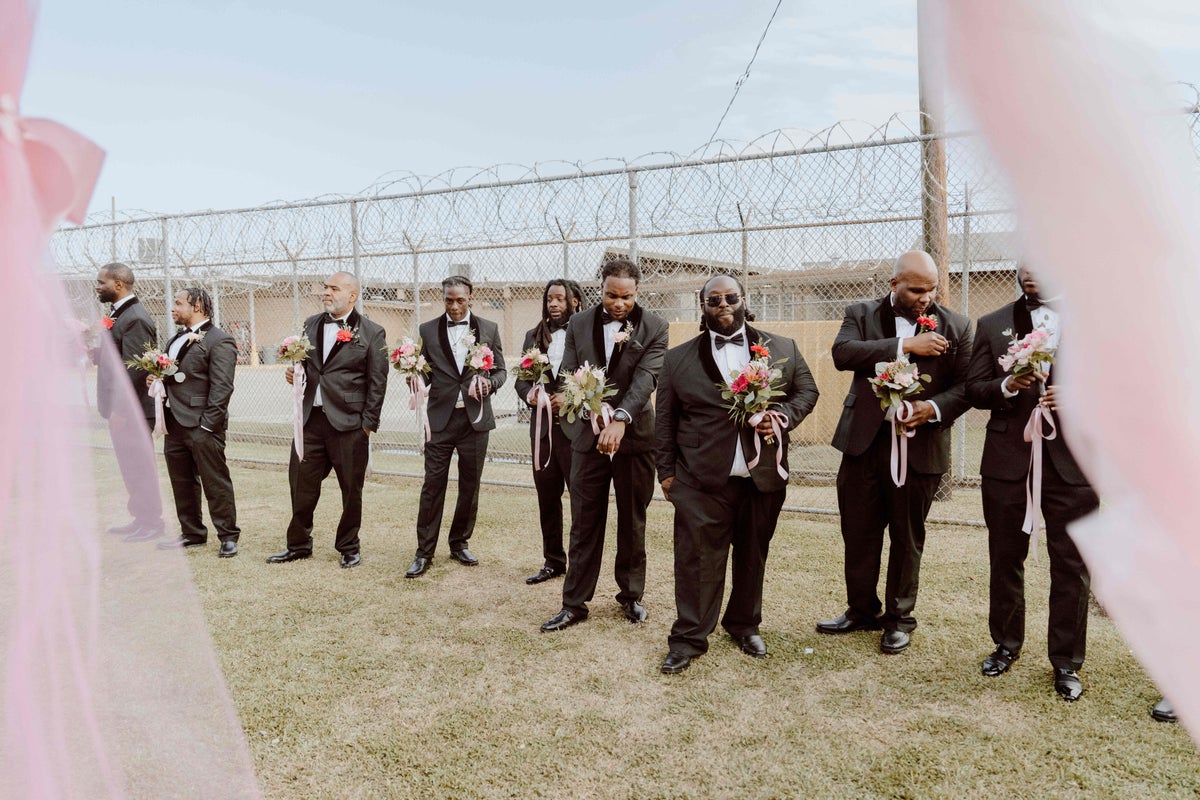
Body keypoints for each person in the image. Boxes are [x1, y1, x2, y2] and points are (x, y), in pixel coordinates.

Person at [655, 275, 819, 674]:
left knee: (751, 554)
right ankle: (689, 637)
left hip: (762, 474)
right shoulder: (678, 359)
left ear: (744, 301)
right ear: (703, 307)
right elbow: (664, 420)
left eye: (731, 297)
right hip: (699, 479)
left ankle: (744, 624)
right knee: (696, 559)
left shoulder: (781, 348)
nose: (723, 304)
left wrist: (782, 418)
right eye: (714, 300)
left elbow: (807, 392)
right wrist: (666, 474)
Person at [816, 251, 972, 654]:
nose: (925, 297)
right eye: (916, 289)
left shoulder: (957, 326)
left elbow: (967, 386)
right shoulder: (861, 313)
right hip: (863, 445)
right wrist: (906, 344)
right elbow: (842, 354)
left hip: (920, 449)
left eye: (931, 289)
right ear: (894, 285)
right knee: (859, 531)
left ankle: (899, 619)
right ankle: (861, 610)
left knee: (907, 535)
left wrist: (932, 409)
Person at [966, 264, 1098, 701]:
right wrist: (1005, 384)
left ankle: (1066, 662)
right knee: (1005, 557)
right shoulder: (992, 324)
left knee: (1072, 565)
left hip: (1073, 466)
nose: (1031, 272)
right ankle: (1005, 645)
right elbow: (974, 388)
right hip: (1008, 460)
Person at [540, 259, 669, 632]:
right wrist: (582, 406)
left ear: (637, 292)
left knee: (632, 519)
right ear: (601, 288)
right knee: (584, 521)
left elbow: (646, 379)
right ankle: (574, 603)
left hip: (634, 438)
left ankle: (630, 596)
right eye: (611, 295)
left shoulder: (655, 327)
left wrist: (619, 419)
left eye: (626, 297)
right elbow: (569, 371)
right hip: (586, 436)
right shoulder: (579, 323)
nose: (618, 303)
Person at [268, 272, 388, 569]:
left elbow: (377, 382)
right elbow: (310, 367)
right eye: (325, 288)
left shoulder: (372, 332)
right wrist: (295, 376)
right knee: (300, 482)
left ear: (352, 295)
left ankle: (348, 546)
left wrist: (368, 425)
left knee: (351, 489)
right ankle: (298, 545)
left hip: (349, 424)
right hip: (311, 421)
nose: (326, 293)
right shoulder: (311, 324)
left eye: (334, 288)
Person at [405, 276, 507, 578]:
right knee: (432, 485)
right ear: (443, 298)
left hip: (474, 422)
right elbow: (424, 373)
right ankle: (424, 552)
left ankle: (459, 542)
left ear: (470, 298)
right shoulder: (427, 330)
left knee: (469, 485)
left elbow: (501, 371)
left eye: (460, 300)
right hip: (439, 420)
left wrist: (489, 384)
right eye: (449, 300)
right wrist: (414, 378)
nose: (454, 306)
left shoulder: (488, 329)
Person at [155, 287, 242, 557]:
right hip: (174, 423)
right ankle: (192, 533)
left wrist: (207, 425)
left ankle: (228, 536)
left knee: (215, 481)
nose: (173, 308)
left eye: (179, 303)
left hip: (202, 425)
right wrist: (158, 381)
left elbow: (222, 388)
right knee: (182, 481)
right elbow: (177, 376)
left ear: (198, 306)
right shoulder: (175, 340)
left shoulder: (220, 340)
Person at [514, 279, 584, 585]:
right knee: (547, 496)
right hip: (542, 431)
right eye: (549, 299)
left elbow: (596, 378)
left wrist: (569, 398)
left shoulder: (584, 334)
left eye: (560, 299)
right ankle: (553, 561)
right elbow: (521, 380)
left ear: (575, 302)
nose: (553, 304)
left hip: (576, 431)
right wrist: (531, 395)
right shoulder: (534, 335)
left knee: (580, 500)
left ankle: (581, 565)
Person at [94, 262, 164, 542]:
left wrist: (122, 410)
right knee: (129, 465)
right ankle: (140, 517)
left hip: (132, 410)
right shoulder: (119, 315)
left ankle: (151, 522)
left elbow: (135, 370)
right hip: (121, 410)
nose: (97, 287)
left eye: (101, 283)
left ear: (118, 285)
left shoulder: (135, 318)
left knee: (139, 465)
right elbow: (116, 359)